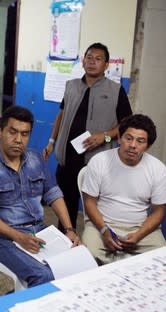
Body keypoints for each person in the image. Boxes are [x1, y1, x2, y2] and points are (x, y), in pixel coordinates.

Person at [0, 106, 81, 288]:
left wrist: (69, 229)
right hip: (6, 239)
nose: (18, 140)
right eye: (12, 132)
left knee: (80, 262)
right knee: (44, 275)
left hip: (41, 231)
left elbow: (53, 193)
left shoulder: (36, 159)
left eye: (25, 134)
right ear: (0, 131)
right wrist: (18, 237)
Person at [43, 42, 132, 232]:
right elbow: (61, 113)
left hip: (96, 161)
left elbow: (127, 126)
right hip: (68, 158)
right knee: (66, 207)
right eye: (89, 57)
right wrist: (52, 142)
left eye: (98, 59)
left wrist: (105, 137)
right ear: (83, 61)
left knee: (97, 210)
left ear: (106, 65)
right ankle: (67, 240)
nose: (92, 62)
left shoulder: (115, 91)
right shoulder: (71, 86)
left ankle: (99, 244)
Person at [81, 114, 166, 264]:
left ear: (148, 146)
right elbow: (89, 202)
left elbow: (159, 212)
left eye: (140, 141)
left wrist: (138, 235)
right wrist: (104, 230)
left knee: (162, 259)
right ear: (119, 138)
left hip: (139, 227)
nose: (133, 145)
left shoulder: (158, 169)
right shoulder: (99, 161)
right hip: (102, 224)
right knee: (86, 257)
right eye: (129, 138)